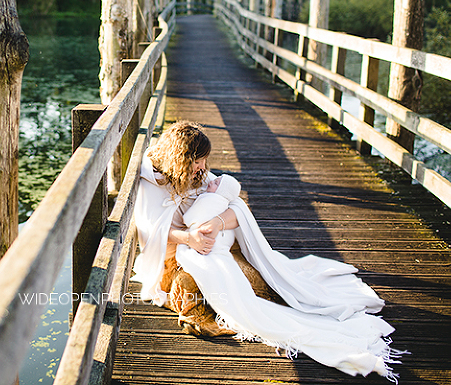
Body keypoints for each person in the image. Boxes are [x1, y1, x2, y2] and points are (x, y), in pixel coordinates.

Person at [131, 121, 404, 382]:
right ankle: (196, 312)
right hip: (171, 259)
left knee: (265, 286)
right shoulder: (150, 181)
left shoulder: (198, 174)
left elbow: (238, 208)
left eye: (203, 160)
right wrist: (188, 238)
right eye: (196, 160)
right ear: (180, 157)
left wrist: (216, 222)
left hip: (214, 250)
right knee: (190, 285)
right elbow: (149, 228)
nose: (202, 167)